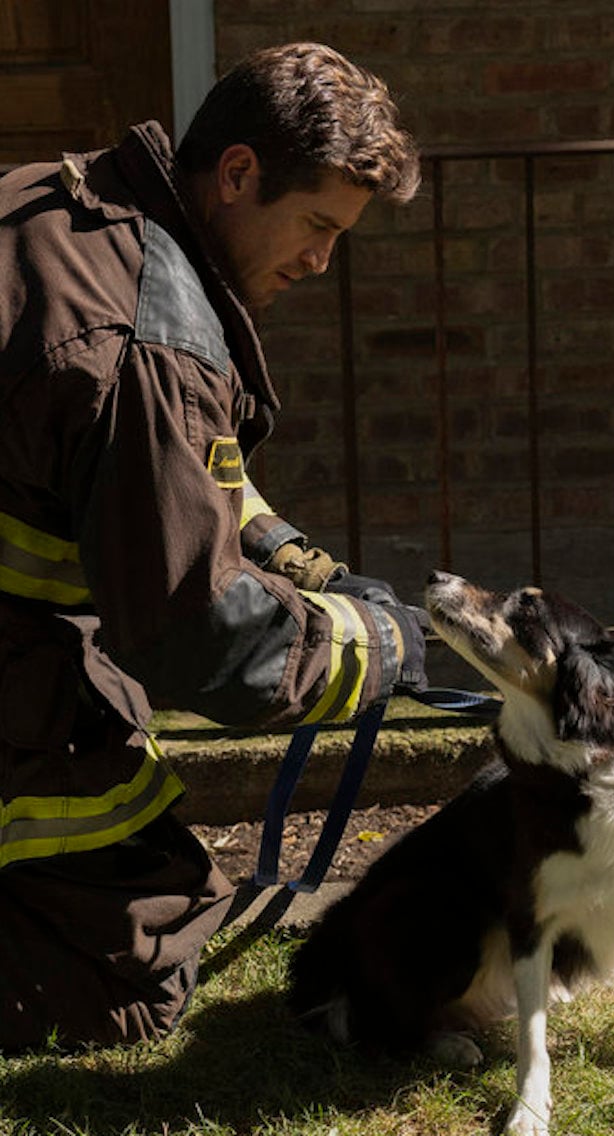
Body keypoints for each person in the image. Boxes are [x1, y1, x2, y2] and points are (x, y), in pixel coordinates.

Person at [0, 42, 426, 1051]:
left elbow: (188, 476)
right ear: (236, 174)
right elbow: (198, 634)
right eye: (317, 225)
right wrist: (378, 645)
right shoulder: (147, 338)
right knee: (132, 986)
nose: (322, 260)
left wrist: (301, 563)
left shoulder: (73, 205)